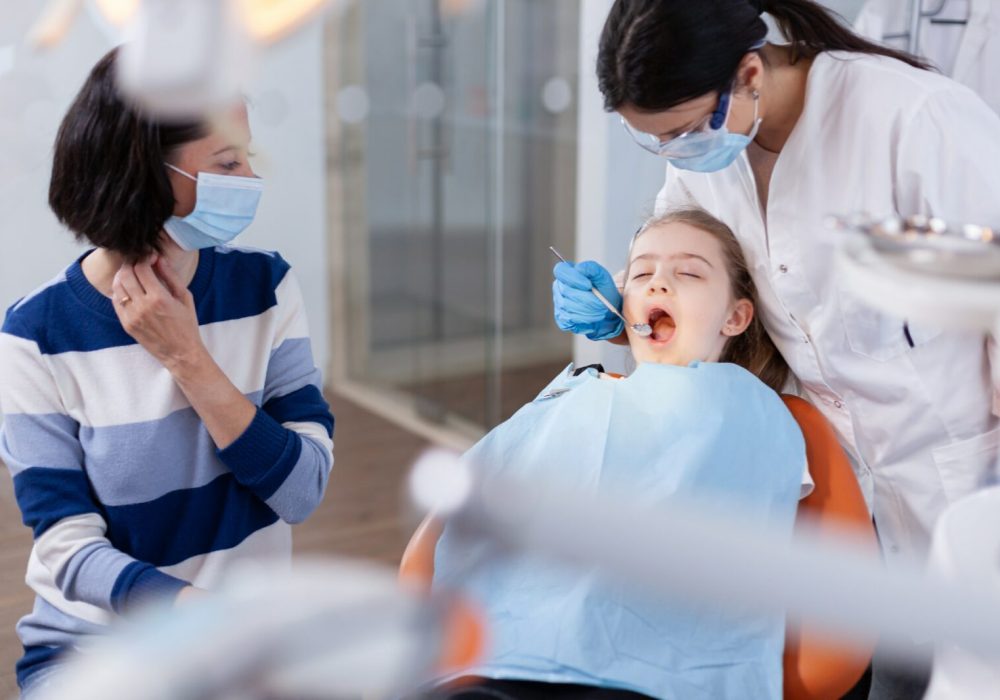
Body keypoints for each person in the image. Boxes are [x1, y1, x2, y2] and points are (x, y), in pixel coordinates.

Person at [552, 2, 1000, 695]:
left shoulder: (914, 121)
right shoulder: (709, 150)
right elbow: (706, 272)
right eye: (654, 143)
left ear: (750, 73)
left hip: (960, 485)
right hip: (837, 492)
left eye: (679, 132)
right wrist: (620, 308)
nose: (674, 154)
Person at [0, 48, 334, 698]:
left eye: (248, 158)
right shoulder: (35, 334)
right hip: (100, 655)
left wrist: (188, 358)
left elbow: (302, 493)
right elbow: (67, 547)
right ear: (145, 173)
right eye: (228, 162)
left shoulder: (267, 288)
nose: (250, 177)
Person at [430, 208, 811, 700]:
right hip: (509, 653)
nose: (658, 285)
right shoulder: (576, 393)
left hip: (660, 673)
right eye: (641, 273)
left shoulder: (754, 409)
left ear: (736, 316)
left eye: (689, 272)